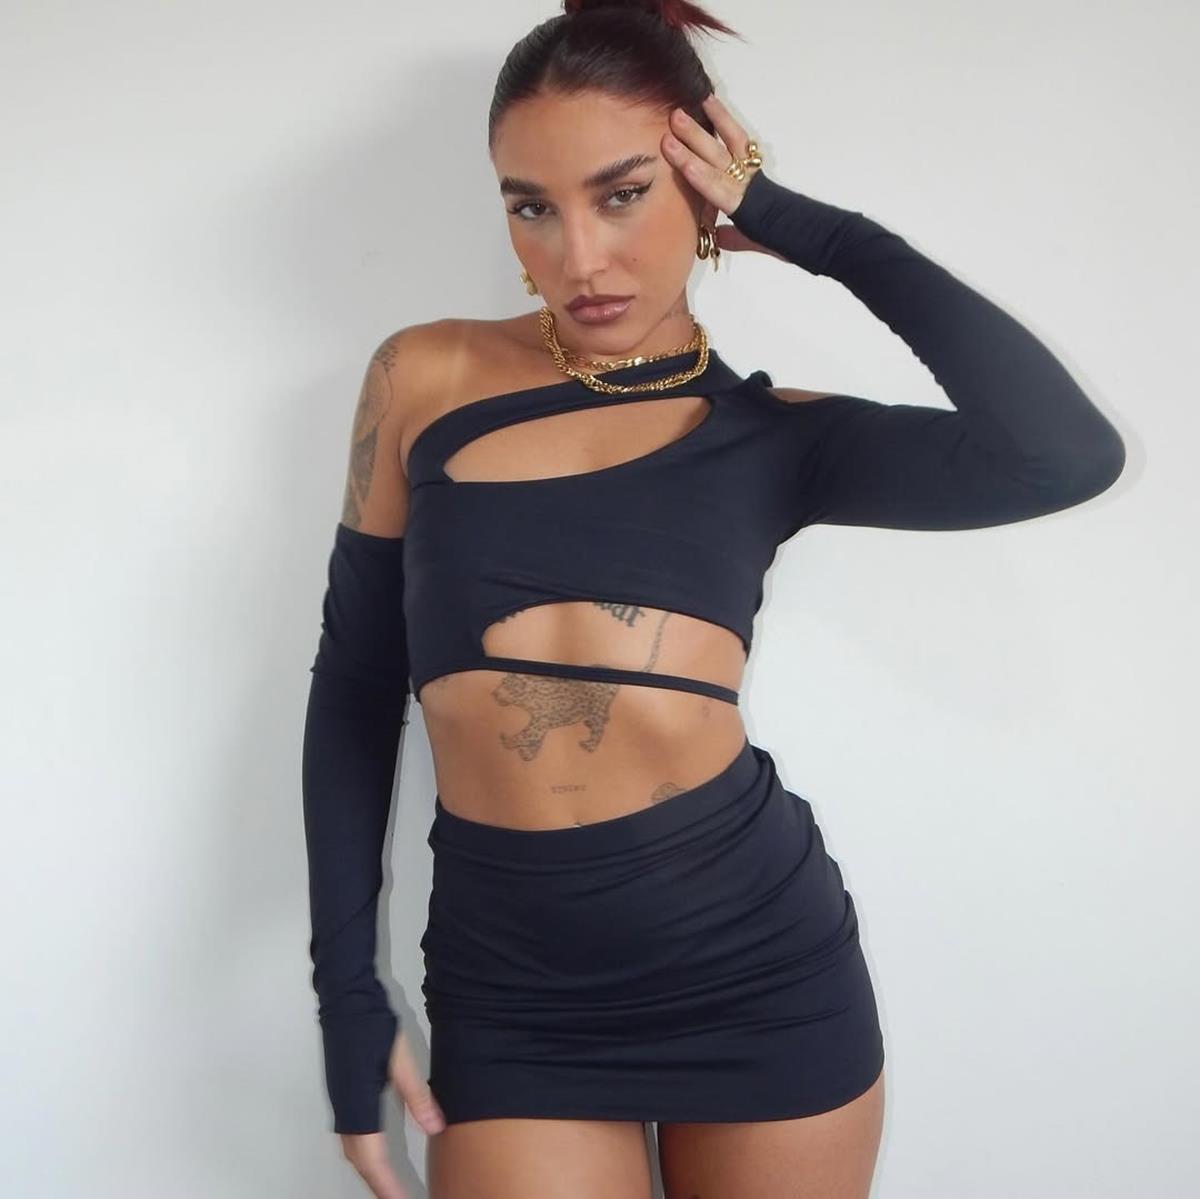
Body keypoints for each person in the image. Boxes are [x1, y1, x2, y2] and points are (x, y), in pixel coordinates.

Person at [301, 2, 1126, 1196]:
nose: (579, 257)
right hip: (511, 988)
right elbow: (356, 682)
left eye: (623, 193)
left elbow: (1064, 455)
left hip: (758, 973)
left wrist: (807, 227)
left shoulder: (772, 436)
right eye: (533, 206)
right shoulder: (423, 376)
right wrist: (344, 985)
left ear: (703, 182)